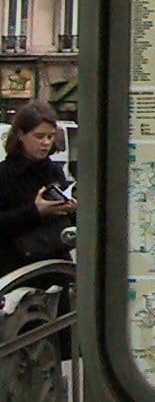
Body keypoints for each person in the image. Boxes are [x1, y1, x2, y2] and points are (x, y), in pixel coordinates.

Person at [0, 101, 75, 279]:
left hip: (55, 265)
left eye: (50, 137)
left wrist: (70, 208)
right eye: (39, 136)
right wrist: (35, 211)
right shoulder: (5, 174)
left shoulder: (53, 171)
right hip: (17, 269)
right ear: (21, 135)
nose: (46, 143)